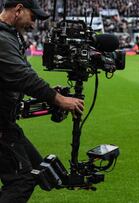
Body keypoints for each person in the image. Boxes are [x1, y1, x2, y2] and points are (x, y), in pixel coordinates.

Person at [0, 0, 84, 202]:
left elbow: (22, 75)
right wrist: (59, 99)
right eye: (34, 17)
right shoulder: (2, 38)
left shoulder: (11, 36)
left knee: (38, 167)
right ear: (19, 9)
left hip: (5, 122)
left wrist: (50, 94)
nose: (34, 24)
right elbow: (22, 77)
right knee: (22, 180)